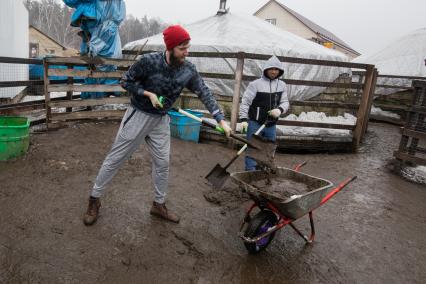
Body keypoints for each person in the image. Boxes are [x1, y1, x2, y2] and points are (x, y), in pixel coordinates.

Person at [83, 25, 232, 225]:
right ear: (170, 48)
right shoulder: (149, 62)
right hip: (138, 115)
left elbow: (204, 92)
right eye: (182, 48)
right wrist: (148, 94)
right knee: (115, 158)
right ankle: (94, 199)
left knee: (163, 163)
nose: (186, 52)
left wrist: (220, 118)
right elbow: (125, 81)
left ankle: (158, 204)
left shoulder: (188, 69)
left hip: (161, 120)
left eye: (188, 47)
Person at [239, 55, 289, 171]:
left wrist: (279, 110)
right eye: (271, 69)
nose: (273, 71)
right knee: (253, 148)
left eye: (276, 69)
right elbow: (245, 102)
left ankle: (264, 172)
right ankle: (250, 172)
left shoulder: (282, 85)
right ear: (266, 69)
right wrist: (243, 120)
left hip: (271, 124)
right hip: (255, 123)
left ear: (280, 71)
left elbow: (285, 102)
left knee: (269, 150)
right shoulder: (255, 84)